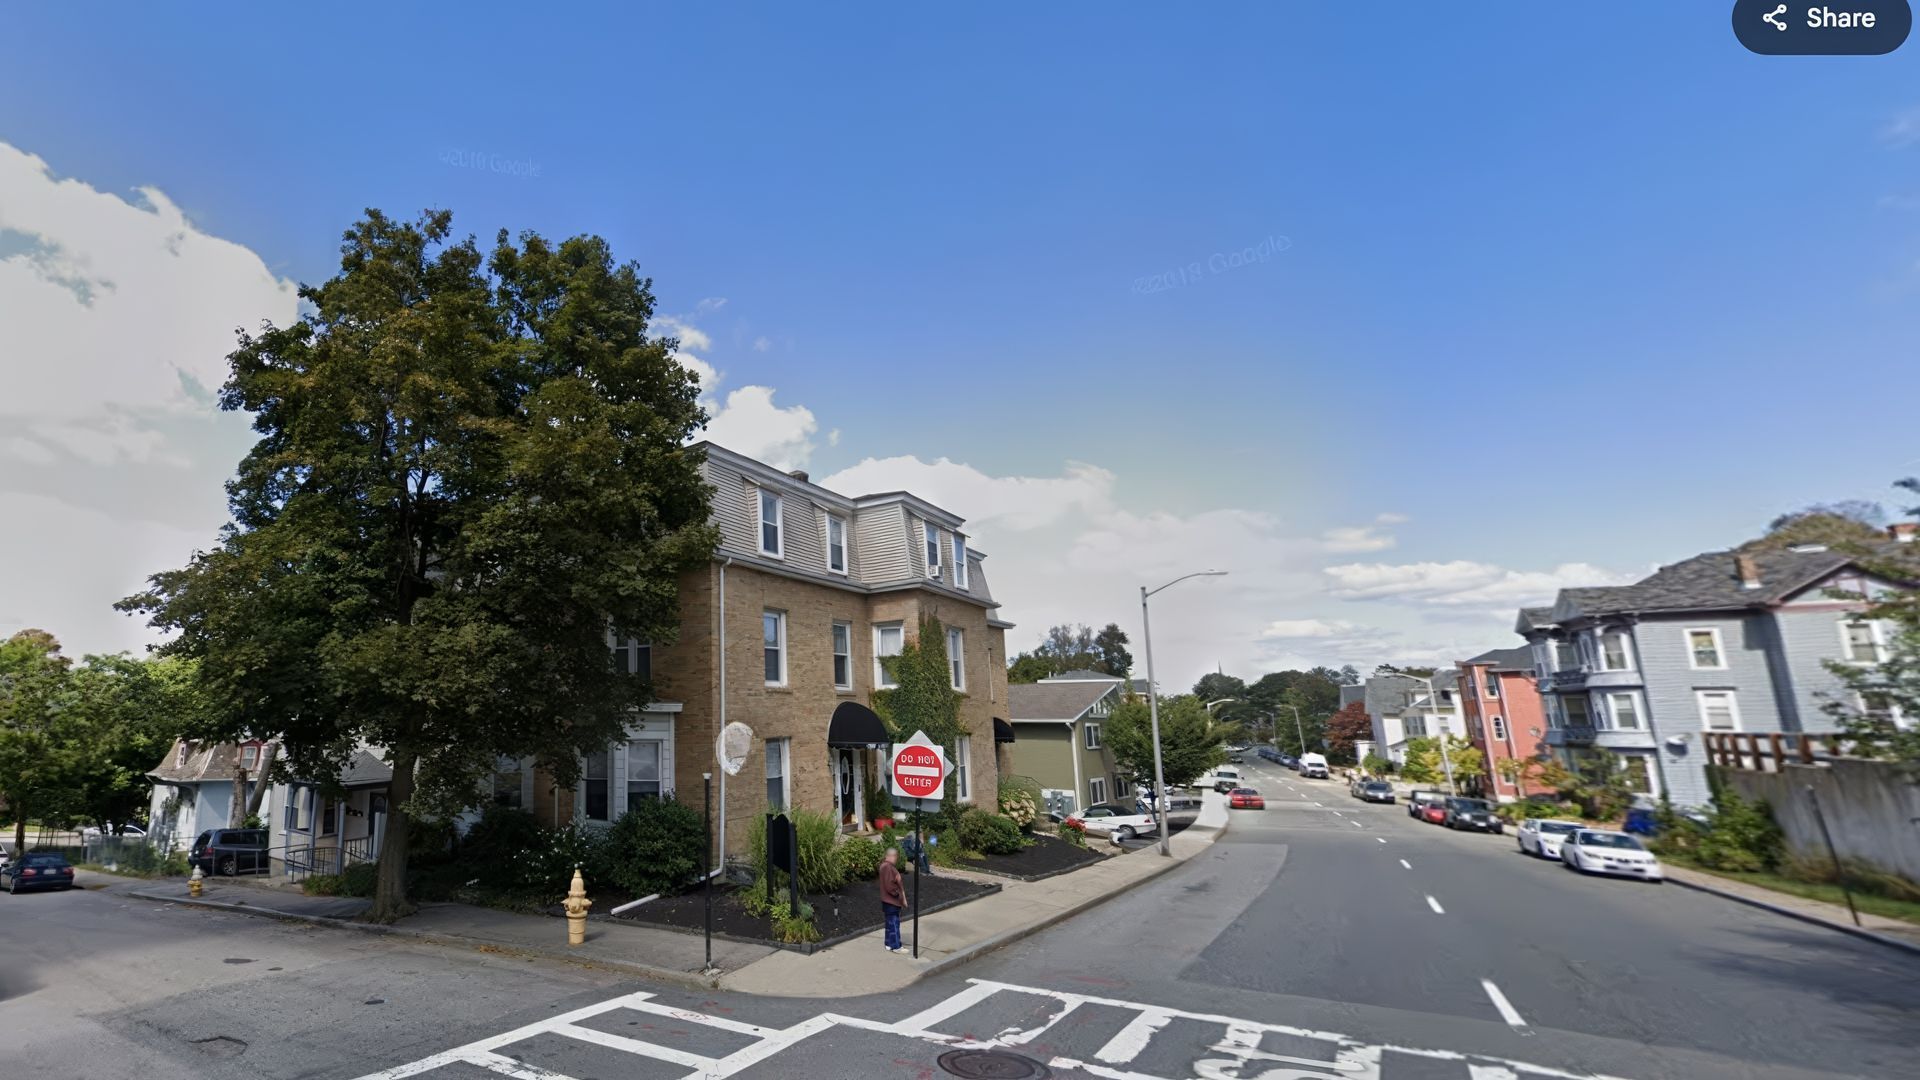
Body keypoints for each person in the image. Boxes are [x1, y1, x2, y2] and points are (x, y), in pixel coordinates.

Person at [878, 847, 906, 953]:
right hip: (891, 901)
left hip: (887, 900)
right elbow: (890, 885)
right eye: (896, 856)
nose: (896, 859)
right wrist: (898, 894)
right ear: (891, 856)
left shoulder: (884, 866)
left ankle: (888, 943)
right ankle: (896, 946)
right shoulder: (888, 867)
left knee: (890, 922)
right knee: (894, 923)